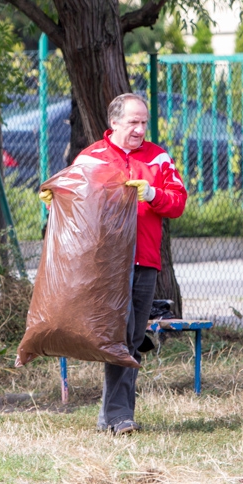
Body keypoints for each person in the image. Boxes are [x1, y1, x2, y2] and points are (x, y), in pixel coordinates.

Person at [40, 93, 188, 435]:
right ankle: (121, 416)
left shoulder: (158, 158)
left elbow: (178, 203)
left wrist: (152, 194)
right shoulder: (91, 158)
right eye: (133, 122)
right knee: (120, 336)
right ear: (115, 122)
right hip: (106, 264)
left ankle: (109, 418)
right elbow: (75, 206)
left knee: (132, 338)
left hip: (145, 259)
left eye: (144, 122)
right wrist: (54, 202)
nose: (140, 129)